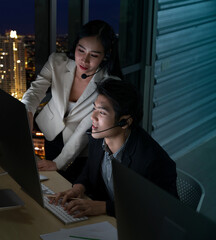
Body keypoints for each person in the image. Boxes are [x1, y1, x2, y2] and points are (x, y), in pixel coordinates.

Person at [51, 79, 179, 217]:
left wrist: (105, 207)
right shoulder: (98, 138)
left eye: (102, 113)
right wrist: (78, 188)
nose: (92, 117)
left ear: (124, 122)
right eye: (94, 109)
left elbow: (160, 210)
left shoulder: (153, 161)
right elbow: (89, 170)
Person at [21, 20, 122, 183]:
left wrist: (59, 163)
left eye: (94, 55)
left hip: (80, 147)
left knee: (71, 185)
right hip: (51, 132)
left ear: (106, 56)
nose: (84, 60)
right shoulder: (57, 61)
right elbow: (36, 89)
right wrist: (26, 110)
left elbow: (85, 128)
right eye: (80, 51)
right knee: (51, 182)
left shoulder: (109, 83)